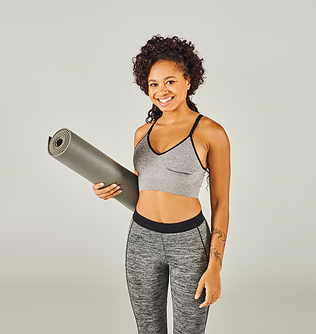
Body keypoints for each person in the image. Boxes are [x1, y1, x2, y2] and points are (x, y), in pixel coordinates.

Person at [92, 35, 230, 334]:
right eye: (153, 84)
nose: (161, 91)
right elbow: (146, 187)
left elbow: (220, 203)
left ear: (188, 81)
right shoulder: (141, 133)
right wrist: (107, 190)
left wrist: (215, 266)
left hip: (189, 244)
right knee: (148, 330)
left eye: (170, 81)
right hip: (141, 239)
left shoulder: (211, 132)